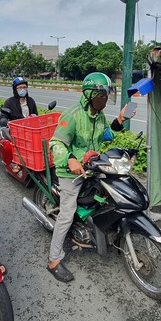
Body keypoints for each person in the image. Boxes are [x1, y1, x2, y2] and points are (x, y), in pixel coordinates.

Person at [46, 72, 135, 282]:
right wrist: (70, 159)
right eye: (102, 96)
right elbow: (55, 144)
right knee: (66, 213)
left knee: (112, 193)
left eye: (107, 96)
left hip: (92, 165)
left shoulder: (99, 116)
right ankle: (53, 260)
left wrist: (121, 120)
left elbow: (104, 135)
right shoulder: (73, 115)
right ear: (89, 95)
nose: (105, 100)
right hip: (71, 172)